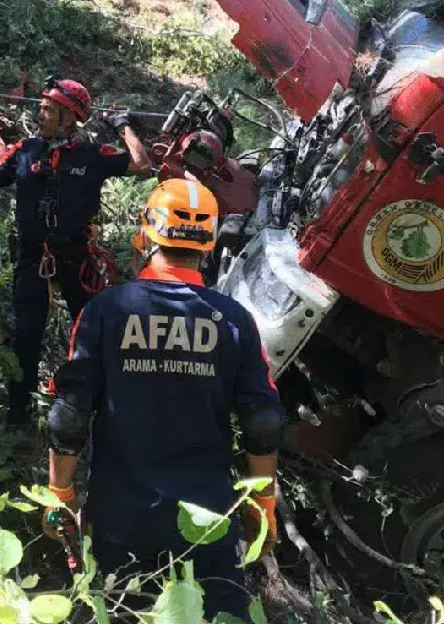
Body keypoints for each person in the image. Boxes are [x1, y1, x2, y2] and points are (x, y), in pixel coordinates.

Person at [41, 178, 285, 620]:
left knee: (118, 611)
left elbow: (70, 414)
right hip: (208, 518)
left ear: (146, 233)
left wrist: (61, 493)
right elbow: (262, 422)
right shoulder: (234, 320)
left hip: (120, 516)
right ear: (208, 243)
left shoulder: (104, 311)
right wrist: (262, 505)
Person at [0, 78, 151, 427]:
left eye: (49, 109)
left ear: (69, 117)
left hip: (77, 257)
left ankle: (93, 408)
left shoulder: (92, 155)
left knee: (89, 333)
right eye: (42, 107)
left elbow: (141, 165)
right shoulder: (25, 150)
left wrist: (123, 126)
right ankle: (19, 417)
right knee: (26, 337)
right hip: (33, 257)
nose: (40, 114)